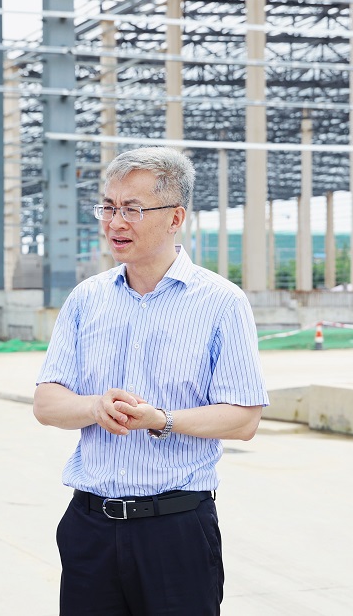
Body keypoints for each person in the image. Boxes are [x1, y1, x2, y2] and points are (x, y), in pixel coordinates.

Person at [33, 146, 269, 616]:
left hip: (175, 532)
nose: (115, 222)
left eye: (132, 209)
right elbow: (47, 402)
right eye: (108, 207)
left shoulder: (221, 303)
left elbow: (243, 419)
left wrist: (161, 419)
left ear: (175, 217)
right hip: (90, 528)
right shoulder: (86, 300)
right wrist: (94, 407)